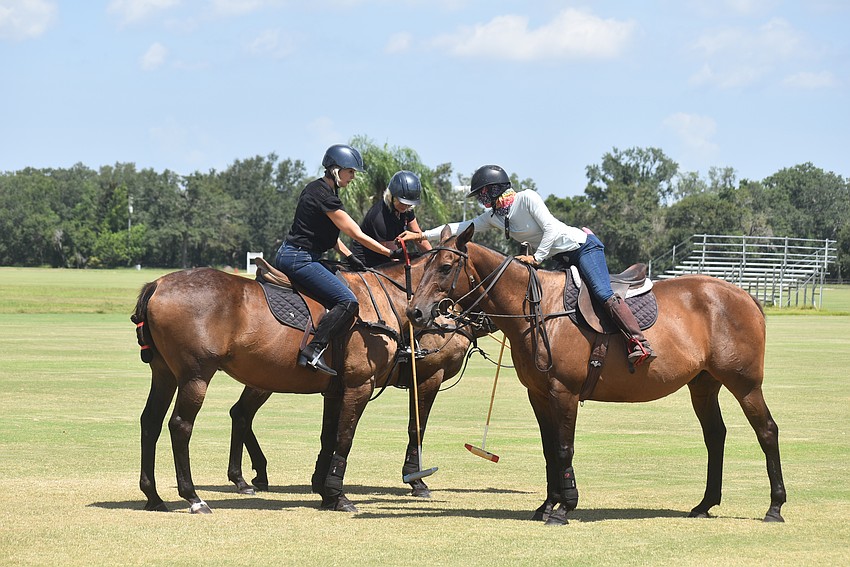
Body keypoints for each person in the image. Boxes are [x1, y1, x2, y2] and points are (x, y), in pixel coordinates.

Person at [398, 164, 655, 366]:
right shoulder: (495, 217)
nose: (480, 199)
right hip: (562, 258)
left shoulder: (527, 198)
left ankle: (639, 342)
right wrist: (420, 235)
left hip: (583, 248)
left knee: (601, 292)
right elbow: (459, 227)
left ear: (493, 189)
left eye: (482, 194)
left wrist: (537, 258)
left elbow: (551, 229)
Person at [275, 144, 405, 376]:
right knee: (348, 301)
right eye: (351, 172)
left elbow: (331, 237)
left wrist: (350, 257)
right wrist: (389, 254)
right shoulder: (323, 195)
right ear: (337, 170)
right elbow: (356, 233)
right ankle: (313, 350)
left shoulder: (323, 191)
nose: (353, 177)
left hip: (300, 255)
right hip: (300, 259)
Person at [349, 170, 433, 268]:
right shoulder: (379, 218)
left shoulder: (406, 209)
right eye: (402, 202)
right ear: (391, 196)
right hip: (367, 263)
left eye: (409, 204)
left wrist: (433, 256)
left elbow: (418, 235)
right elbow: (394, 256)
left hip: (388, 257)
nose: (405, 207)